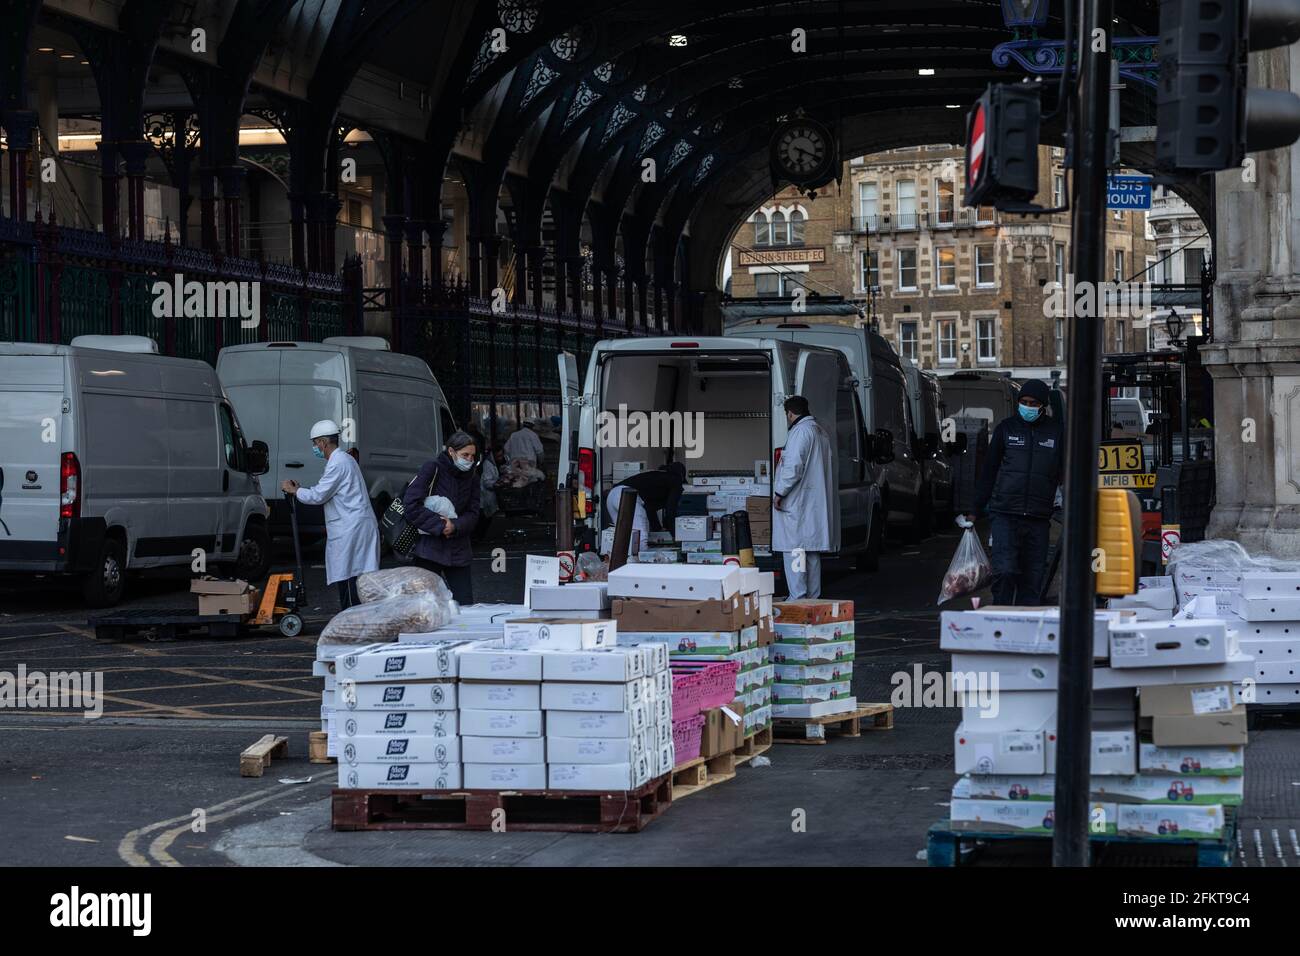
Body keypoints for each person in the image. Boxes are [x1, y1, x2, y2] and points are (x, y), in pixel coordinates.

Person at [968, 379, 1064, 606]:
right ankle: (1001, 614)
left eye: (1032, 403)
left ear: (1043, 406)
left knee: (1032, 579)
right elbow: (988, 472)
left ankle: (1026, 627)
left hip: (1038, 519)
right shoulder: (1006, 429)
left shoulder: (1056, 433)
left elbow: (1067, 473)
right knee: (1005, 571)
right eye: (1024, 402)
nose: (1027, 407)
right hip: (1005, 515)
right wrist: (974, 509)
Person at [282, 419, 379, 610]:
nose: (314, 447)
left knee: (351, 577)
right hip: (353, 525)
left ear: (322, 443)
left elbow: (319, 495)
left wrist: (295, 491)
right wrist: (302, 490)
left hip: (351, 528)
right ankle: (352, 620)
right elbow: (326, 490)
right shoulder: (344, 459)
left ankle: (351, 623)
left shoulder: (338, 463)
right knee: (352, 575)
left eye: (314, 443)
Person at [402, 430, 481, 604]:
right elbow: (411, 504)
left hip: (459, 551)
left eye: (472, 456)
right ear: (451, 452)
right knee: (424, 605)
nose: (469, 460)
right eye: (465, 455)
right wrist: (439, 525)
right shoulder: (433, 468)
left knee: (465, 603)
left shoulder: (473, 478)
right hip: (429, 550)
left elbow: (474, 513)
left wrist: (455, 526)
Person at [773, 395, 834, 600]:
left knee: (795, 551)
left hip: (797, 506)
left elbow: (793, 468)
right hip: (812, 506)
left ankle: (798, 599)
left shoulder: (800, 432)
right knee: (811, 553)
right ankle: (813, 600)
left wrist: (779, 492)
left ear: (790, 414)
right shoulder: (820, 432)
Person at [609, 462, 687, 533]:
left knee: (621, 536)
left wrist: (658, 529)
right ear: (682, 476)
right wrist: (675, 534)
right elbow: (671, 509)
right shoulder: (676, 480)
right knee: (640, 536)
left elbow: (650, 508)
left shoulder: (657, 478)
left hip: (612, 495)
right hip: (628, 495)